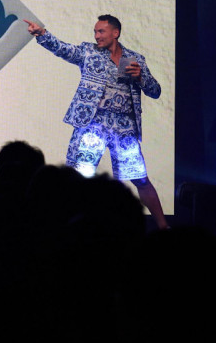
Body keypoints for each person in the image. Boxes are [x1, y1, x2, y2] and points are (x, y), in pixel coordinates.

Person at [24, 14, 168, 229]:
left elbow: (155, 91)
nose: (96, 35)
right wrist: (42, 34)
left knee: (139, 178)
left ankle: (163, 226)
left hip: (123, 127)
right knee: (79, 177)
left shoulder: (134, 59)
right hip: (92, 123)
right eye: (95, 32)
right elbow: (64, 50)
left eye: (101, 31)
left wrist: (141, 77)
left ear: (115, 33)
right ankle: (66, 225)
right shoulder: (89, 52)